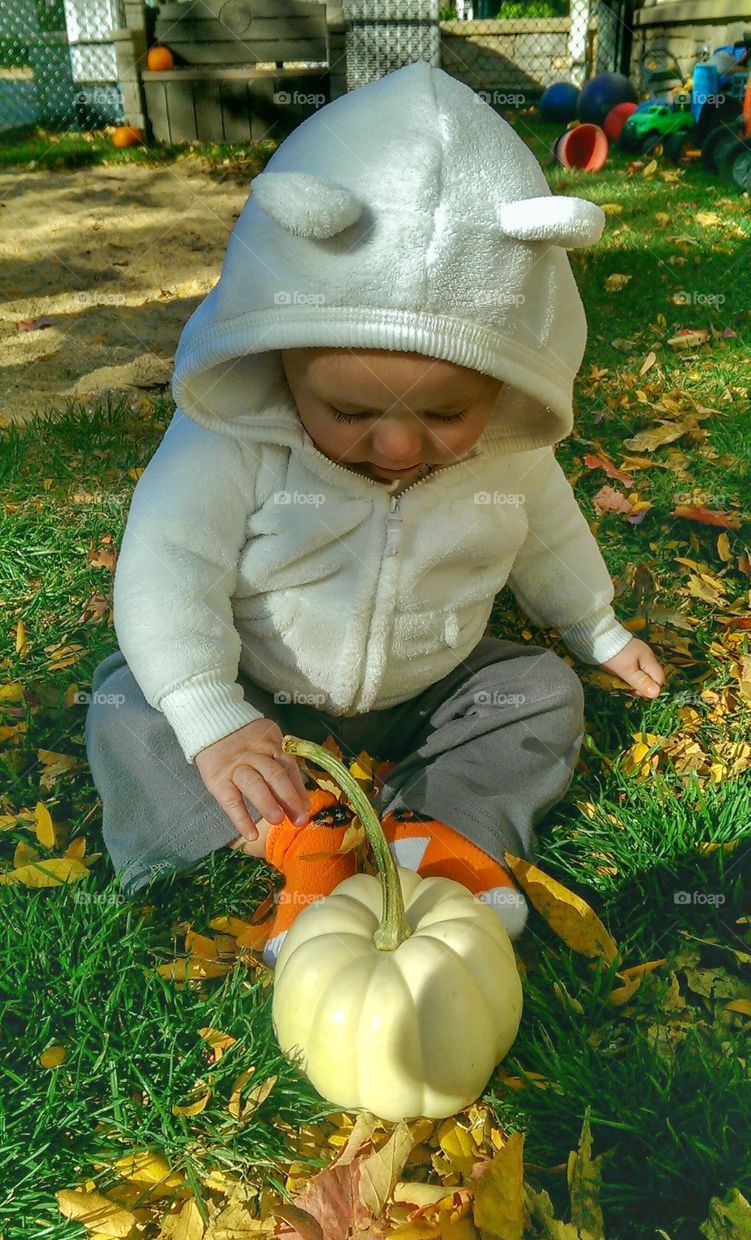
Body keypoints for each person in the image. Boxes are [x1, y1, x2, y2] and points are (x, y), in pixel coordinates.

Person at [85, 61, 665, 966]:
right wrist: (212, 712)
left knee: (537, 692)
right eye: (350, 410)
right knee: (131, 701)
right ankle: (292, 828)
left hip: (430, 689)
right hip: (259, 688)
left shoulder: (508, 451)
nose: (396, 445)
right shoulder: (228, 441)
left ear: (505, 382)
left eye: (445, 414)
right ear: (280, 353)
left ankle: (440, 828)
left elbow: (549, 532)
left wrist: (594, 626)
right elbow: (167, 565)